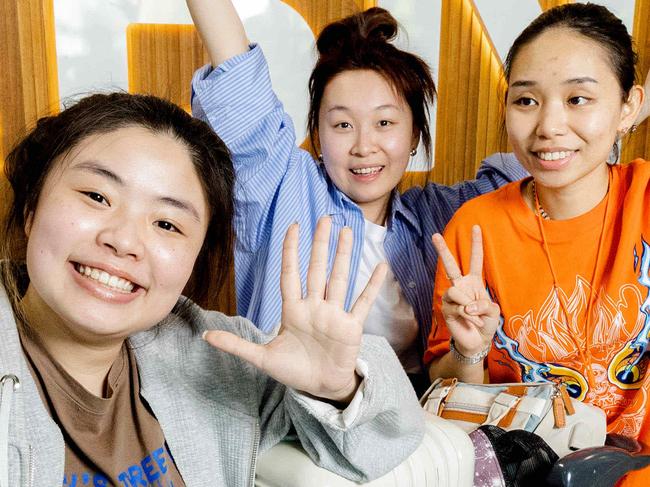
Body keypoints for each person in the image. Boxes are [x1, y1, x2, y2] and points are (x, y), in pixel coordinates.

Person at [0, 92, 424, 486]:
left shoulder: (211, 354)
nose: (124, 241)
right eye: (97, 196)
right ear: (32, 207)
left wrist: (337, 387)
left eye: (167, 224)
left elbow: (383, 442)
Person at [187, 0, 528, 391]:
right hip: (294, 422)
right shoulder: (283, 183)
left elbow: (541, 172)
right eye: (343, 124)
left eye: (385, 122)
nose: (364, 146)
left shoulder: (442, 213)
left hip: (409, 425)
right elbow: (239, 83)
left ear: (414, 134)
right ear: (317, 134)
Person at [425, 3, 648, 484]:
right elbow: (449, 398)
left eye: (578, 99)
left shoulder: (645, 200)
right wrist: (469, 350)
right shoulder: (476, 227)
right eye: (526, 101)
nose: (548, 126)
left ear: (629, 106)